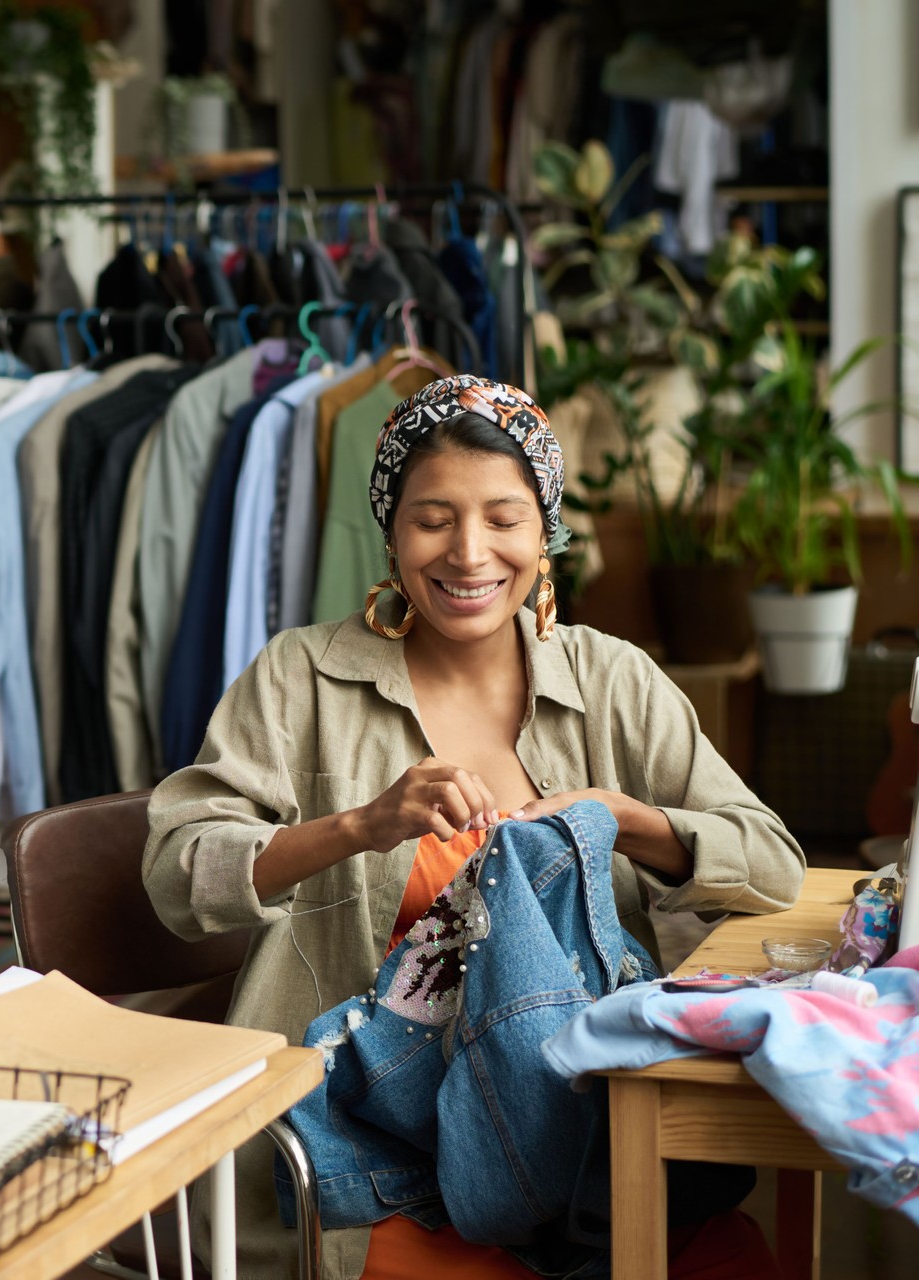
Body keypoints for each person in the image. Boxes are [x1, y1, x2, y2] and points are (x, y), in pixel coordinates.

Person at [143, 376, 803, 1279]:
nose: (468, 552)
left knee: (733, 1258)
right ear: (390, 531)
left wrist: (618, 818)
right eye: (432, 518)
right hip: (354, 1147)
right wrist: (361, 825)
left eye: (504, 517)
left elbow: (771, 861)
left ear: (546, 533)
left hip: (577, 1133)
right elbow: (180, 874)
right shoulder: (301, 678)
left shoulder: (614, 682)